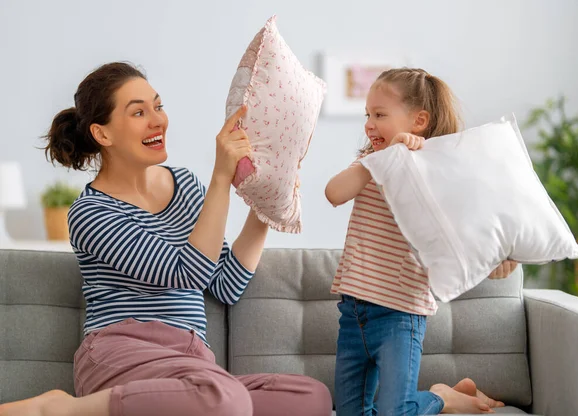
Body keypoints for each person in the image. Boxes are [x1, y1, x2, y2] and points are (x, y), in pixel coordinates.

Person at [0, 62, 332, 416]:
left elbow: (224, 285)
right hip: (123, 352)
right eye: (139, 112)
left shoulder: (185, 186)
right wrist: (221, 177)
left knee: (310, 397)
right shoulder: (90, 213)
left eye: (158, 106)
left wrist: (266, 203)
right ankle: (60, 409)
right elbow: (187, 273)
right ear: (103, 134)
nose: (158, 120)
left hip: (191, 360)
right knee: (225, 399)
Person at [325, 67, 516, 415]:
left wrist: (496, 265)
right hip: (353, 314)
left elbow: (461, 240)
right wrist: (380, 160)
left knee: (394, 412)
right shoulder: (370, 162)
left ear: (419, 120)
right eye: (367, 114)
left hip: (400, 316)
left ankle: (443, 397)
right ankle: (446, 395)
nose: (369, 123)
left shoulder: (438, 173)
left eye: (380, 114)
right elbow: (333, 193)